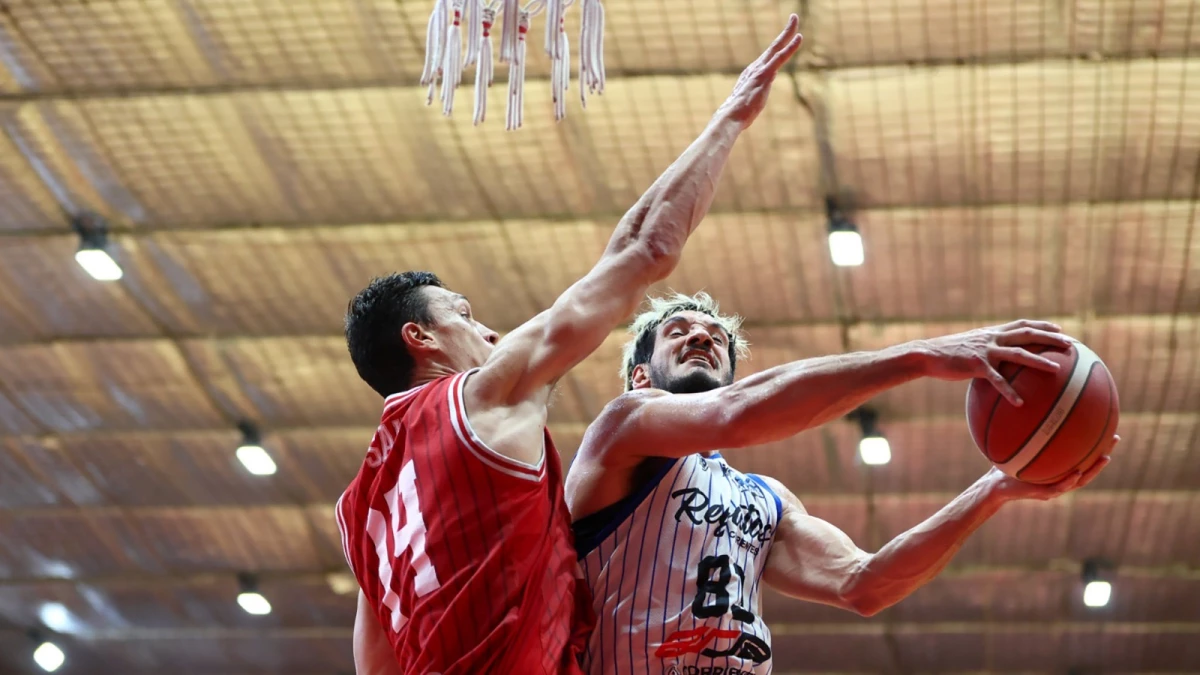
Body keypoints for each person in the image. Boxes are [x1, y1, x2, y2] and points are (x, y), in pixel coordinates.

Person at [333, 18, 806, 675]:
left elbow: (375, 668)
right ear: (420, 337)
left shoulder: (358, 509)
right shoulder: (483, 394)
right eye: (464, 316)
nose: (490, 331)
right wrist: (729, 118)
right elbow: (646, 249)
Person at [565, 292, 1115, 675]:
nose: (701, 339)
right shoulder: (623, 430)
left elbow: (865, 584)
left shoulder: (766, 500)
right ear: (640, 376)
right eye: (678, 332)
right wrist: (922, 355)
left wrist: (994, 488)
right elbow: (735, 413)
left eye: (715, 338)